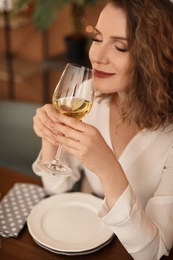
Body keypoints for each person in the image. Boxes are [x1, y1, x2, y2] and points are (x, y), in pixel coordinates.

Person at [32, 0, 173, 259]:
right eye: (97, 39)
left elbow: (153, 252)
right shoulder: (86, 96)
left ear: (156, 57)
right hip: (83, 234)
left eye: (119, 47)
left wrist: (107, 167)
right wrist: (50, 138)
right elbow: (57, 189)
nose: (96, 56)